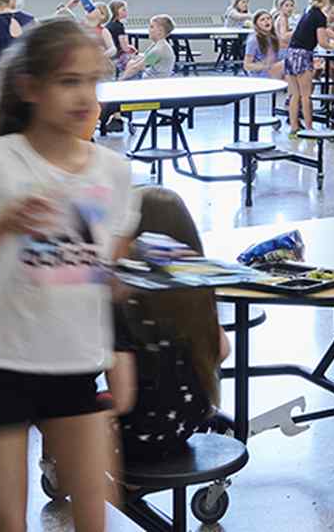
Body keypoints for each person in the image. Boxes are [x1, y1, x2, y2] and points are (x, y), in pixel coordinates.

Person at [0, 20, 138, 532]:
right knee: (4, 523)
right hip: (0, 366)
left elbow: (110, 278)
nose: (85, 95)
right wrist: (3, 224)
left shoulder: (113, 171)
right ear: (30, 88)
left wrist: (122, 282)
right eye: (68, 82)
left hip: (76, 367)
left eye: (92, 81)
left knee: (94, 516)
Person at [112, 188, 230, 466]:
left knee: (63, 408)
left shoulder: (123, 303)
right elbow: (223, 349)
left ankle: (113, 486)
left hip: (137, 436)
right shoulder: (196, 290)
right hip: (190, 422)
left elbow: (121, 399)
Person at [283, 0, 334, 134]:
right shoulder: (320, 15)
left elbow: (322, 30)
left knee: (294, 94)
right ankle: (309, 128)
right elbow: (322, 40)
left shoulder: (308, 12)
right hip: (303, 54)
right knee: (306, 95)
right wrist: (333, 46)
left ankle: (294, 127)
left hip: (290, 53)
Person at [122, 15, 176, 80]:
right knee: (131, 62)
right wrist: (133, 57)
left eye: (152, 27)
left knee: (131, 70)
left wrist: (121, 80)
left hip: (155, 82)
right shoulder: (156, 45)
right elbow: (144, 58)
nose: (149, 30)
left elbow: (139, 67)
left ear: (160, 31)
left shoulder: (159, 50)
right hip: (150, 78)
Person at [241, 10, 284, 83]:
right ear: (256, 24)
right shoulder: (253, 40)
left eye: (268, 18)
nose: (266, 21)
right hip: (261, 74)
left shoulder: (273, 37)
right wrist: (266, 66)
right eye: (262, 20)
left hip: (274, 69)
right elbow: (247, 65)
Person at [105, 0, 133, 77]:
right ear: (116, 11)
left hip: (111, 54)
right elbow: (124, 47)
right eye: (123, 10)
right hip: (118, 56)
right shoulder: (119, 26)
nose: (126, 12)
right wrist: (132, 50)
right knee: (137, 60)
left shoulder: (108, 25)